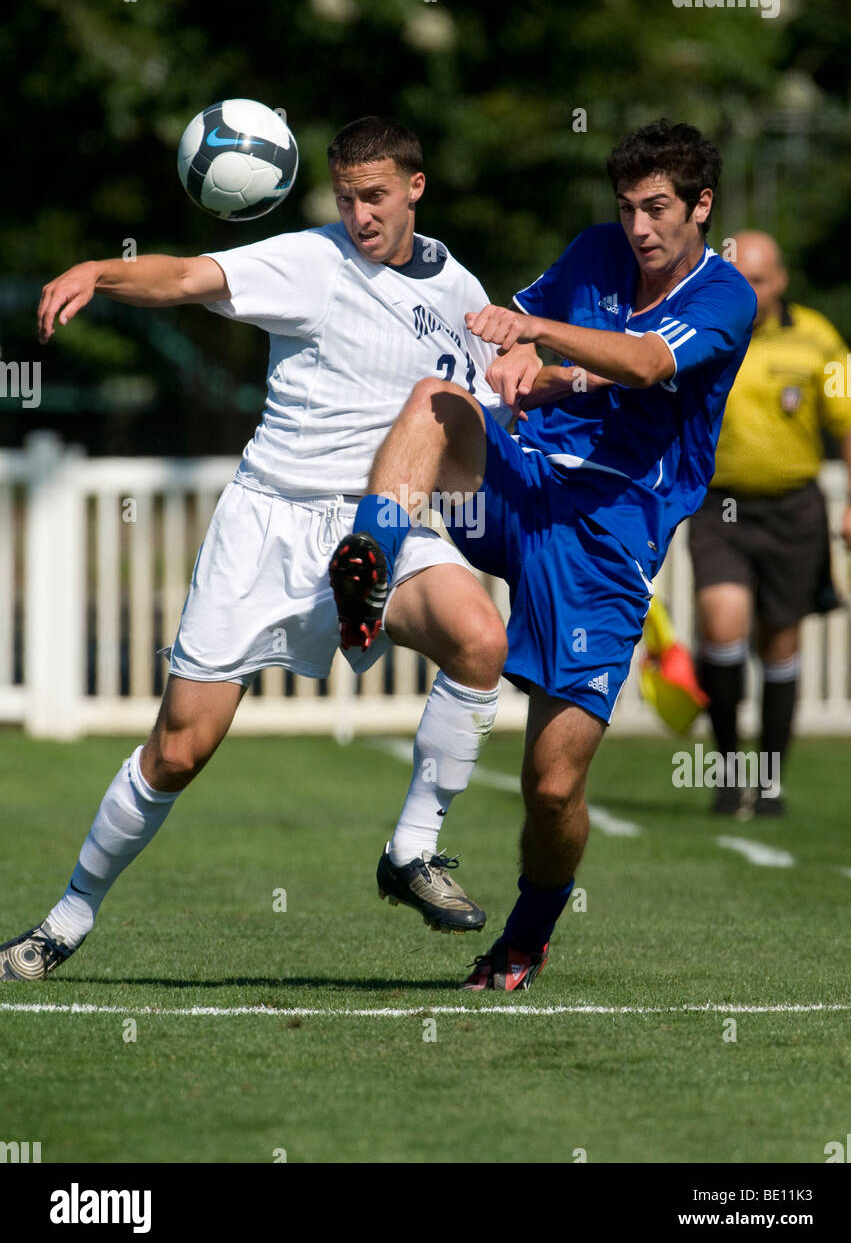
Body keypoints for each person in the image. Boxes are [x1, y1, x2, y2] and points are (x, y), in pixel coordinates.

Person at [0, 115, 538, 983]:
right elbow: (185, 276)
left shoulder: (459, 289)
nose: (359, 213)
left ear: (415, 188)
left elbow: (478, 414)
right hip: (267, 526)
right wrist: (99, 270)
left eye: (375, 195)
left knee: (480, 638)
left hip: (380, 525)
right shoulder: (309, 261)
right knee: (179, 749)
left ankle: (411, 850)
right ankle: (65, 919)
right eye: (346, 196)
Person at [331, 119, 757, 991]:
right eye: (627, 209)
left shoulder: (725, 298)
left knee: (552, 785)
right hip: (523, 480)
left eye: (657, 208)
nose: (637, 229)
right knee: (437, 399)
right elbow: (517, 334)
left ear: (700, 206)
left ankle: (524, 938)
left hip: (607, 538)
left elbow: (641, 363)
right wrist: (520, 354)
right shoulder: (597, 251)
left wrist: (542, 338)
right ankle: (365, 565)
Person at [688, 230, 851, 817]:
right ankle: (730, 770)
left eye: (759, 280)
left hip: (793, 508)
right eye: (740, 279)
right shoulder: (706, 329)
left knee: (780, 641)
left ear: (781, 280)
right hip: (720, 508)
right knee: (722, 623)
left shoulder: (820, 339)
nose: (750, 291)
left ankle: (770, 782)